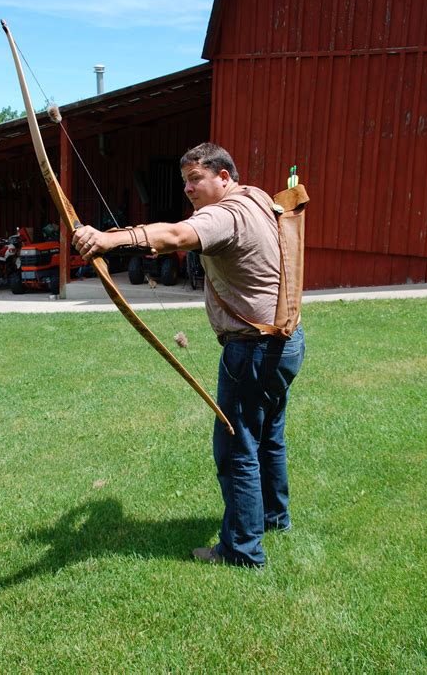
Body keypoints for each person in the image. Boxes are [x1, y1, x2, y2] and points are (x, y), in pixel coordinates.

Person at [73, 143, 305, 568]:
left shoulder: (226, 214)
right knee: (268, 435)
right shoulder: (257, 198)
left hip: (252, 350)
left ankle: (242, 550)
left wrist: (108, 239)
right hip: (286, 341)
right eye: (185, 182)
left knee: (238, 448)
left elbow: (178, 234)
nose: (188, 189)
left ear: (224, 176)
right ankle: (274, 518)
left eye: (196, 179)